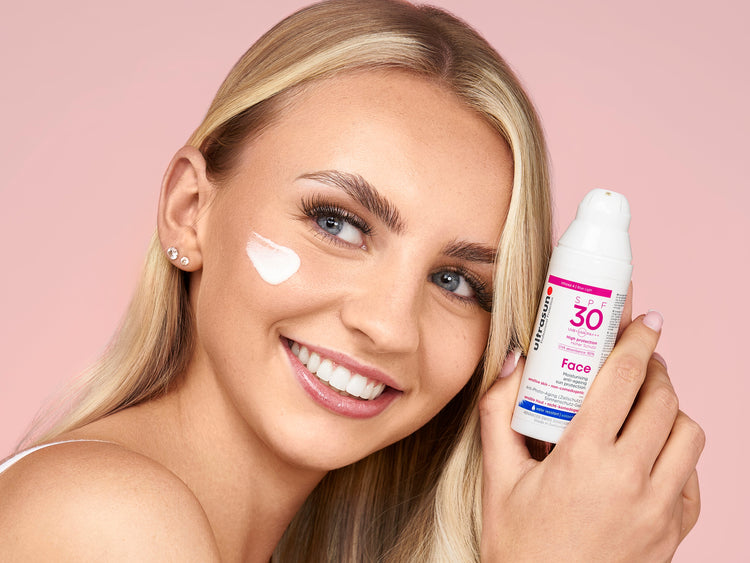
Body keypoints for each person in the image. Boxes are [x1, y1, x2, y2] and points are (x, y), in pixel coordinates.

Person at [0, 0, 703, 561]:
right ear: (190, 210)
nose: (390, 325)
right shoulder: (103, 519)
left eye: (457, 281)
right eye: (337, 223)